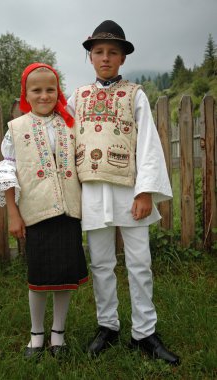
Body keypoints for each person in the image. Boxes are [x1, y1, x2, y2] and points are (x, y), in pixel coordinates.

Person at [67, 20, 180, 365]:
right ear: (90, 56)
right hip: (92, 193)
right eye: (98, 52)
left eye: (112, 52)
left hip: (130, 193)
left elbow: (147, 145)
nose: (105, 58)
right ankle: (108, 326)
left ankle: (144, 331)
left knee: (139, 263)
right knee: (101, 262)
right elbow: (65, 139)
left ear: (122, 58)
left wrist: (145, 193)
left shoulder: (136, 95)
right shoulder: (78, 97)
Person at [0, 63, 88, 359]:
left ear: (58, 91)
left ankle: (58, 332)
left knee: (64, 276)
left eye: (51, 89)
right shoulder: (16, 129)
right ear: (26, 94)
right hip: (36, 212)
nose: (44, 95)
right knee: (39, 277)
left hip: (68, 212)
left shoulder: (70, 123)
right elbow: (7, 169)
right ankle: (37, 332)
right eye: (37, 90)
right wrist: (13, 212)